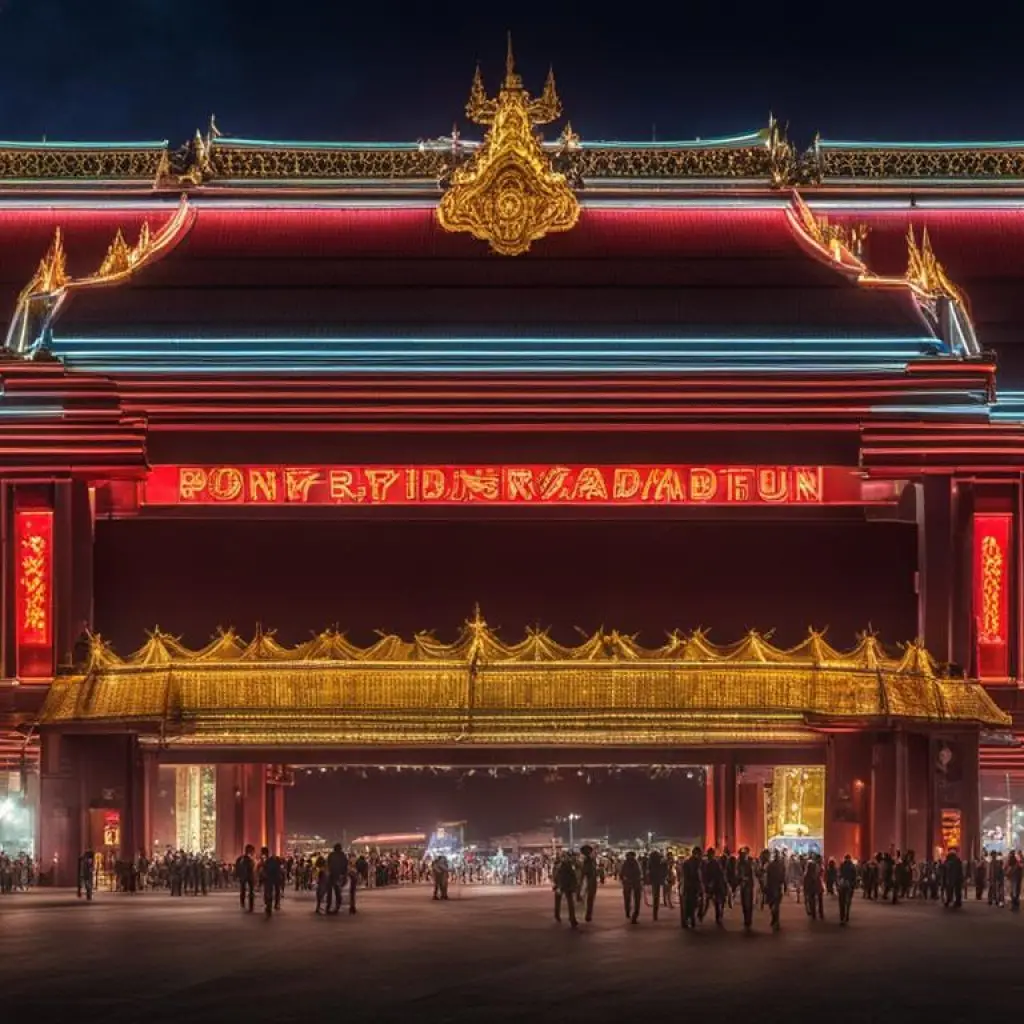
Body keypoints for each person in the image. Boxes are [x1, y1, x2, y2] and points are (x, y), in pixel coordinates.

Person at [553, 852, 579, 928]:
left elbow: (556, 875)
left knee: (561, 902)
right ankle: (571, 919)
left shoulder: (559, 865)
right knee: (569, 903)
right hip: (564, 885)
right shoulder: (568, 865)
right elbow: (572, 876)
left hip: (562, 885)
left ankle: (559, 915)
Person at [680, 846, 702, 929]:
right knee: (689, 905)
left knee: (690, 905)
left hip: (690, 887)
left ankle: (689, 921)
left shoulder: (692, 862)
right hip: (689, 887)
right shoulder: (691, 863)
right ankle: (688, 921)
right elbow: (688, 876)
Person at [620, 851, 643, 924]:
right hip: (636, 884)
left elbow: (621, 874)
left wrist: (624, 880)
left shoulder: (625, 863)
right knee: (637, 901)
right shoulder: (636, 863)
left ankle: (627, 912)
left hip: (627, 884)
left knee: (627, 899)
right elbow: (639, 873)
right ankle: (634, 915)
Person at [765, 850, 786, 931]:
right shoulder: (775, 865)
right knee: (775, 904)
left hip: (774, 886)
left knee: (774, 904)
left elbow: (783, 876)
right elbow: (783, 876)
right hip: (775, 886)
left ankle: (775, 919)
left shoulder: (772, 865)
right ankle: (775, 919)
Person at [579, 844, 599, 923]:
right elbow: (585, 872)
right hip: (588, 882)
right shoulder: (588, 860)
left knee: (589, 899)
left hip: (590, 881)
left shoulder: (590, 860)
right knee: (588, 899)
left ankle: (588, 915)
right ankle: (587, 915)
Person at [260, 847, 282, 917]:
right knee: (271, 892)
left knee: (271, 892)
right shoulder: (270, 859)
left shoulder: (270, 859)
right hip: (272, 877)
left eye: (262, 852)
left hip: (271, 877)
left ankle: (271, 905)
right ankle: (272, 905)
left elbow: (265, 869)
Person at [737, 847, 755, 929]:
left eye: (744, 853)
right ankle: (746, 919)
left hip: (749, 885)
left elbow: (754, 872)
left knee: (748, 903)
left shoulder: (751, 862)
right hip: (743, 885)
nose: (743, 855)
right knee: (744, 903)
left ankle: (748, 920)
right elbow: (737, 873)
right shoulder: (739, 863)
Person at [326, 843, 348, 914]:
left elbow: (328, 865)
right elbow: (345, 866)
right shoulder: (343, 856)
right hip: (339, 877)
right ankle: (337, 906)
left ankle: (328, 906)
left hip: (332, 876)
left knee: (329, 891)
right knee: (338, 892)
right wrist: (343, 876)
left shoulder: (331, 855)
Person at [235, 844, 256, 912]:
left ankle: (243, 903)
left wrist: (238, 875)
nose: (253, 852)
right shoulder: (248, 859)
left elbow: (237, 868)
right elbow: (251, 868)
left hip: (244, 877)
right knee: (250, 891)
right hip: (248, 876)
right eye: (252, 851)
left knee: (244, 890)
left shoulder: (240, 858)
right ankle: (250, 906)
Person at [647, 848, 666, 921]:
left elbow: (648, 870)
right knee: (656, 897)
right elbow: (663, 870)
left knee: (655, 896)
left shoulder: (650, 861)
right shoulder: (660, 861)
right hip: (658, 879)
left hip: (653, 879)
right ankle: (655, 914)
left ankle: (655, 914)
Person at [838, 854, 856, 924]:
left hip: (842, 885)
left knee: (842, 902)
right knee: (847, 902)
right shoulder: (852, 866)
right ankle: (846, 915)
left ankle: (842, 916)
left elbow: (839, 875)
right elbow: (854, 876)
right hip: (849, 886)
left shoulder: (842, 865)